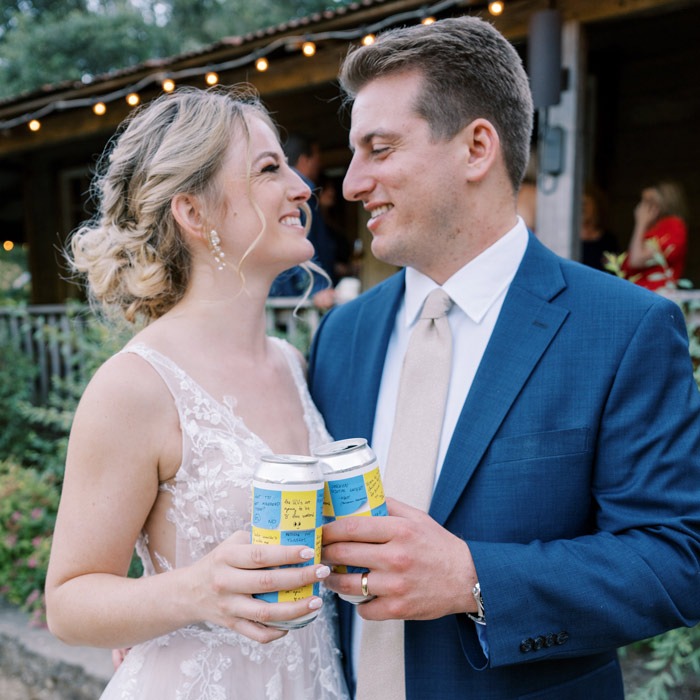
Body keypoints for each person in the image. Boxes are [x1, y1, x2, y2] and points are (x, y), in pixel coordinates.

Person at [307, 16, 700, 700]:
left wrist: (472, 578)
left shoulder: (625, 327)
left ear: (477, 147)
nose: (351, 184)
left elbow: (678, 558)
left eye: (379, 148)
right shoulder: (341, 336)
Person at [44, 86, 349, 700]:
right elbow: (68, 602)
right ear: (194, 212)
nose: (301, 187)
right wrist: (195, 591)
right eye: (269, 169)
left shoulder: (292, 364)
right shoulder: (136, 387)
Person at [269, 133, 336, 309]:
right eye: (316, 158)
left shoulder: (274, 191)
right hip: (301, 294)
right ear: (304, 159)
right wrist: (317, 286)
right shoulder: (304, 189)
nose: (319, 164)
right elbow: (303, 241)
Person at [621, 180, 689, 290]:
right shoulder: (648, 232)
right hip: (639, 293)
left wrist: (640, 224)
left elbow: (636, 260)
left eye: (650, 201)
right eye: (642, 201)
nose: (643, 207)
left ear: (666, 202)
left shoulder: (674, 226)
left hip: (656, 295)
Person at [580, 183, 619, 270]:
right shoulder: (566, 239)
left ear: (596, 206)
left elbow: (613, 271)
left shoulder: (608, 240)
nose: (581, 209)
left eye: (584, 204)